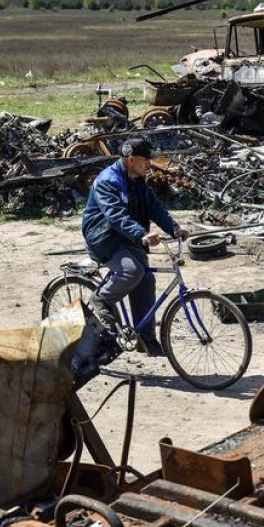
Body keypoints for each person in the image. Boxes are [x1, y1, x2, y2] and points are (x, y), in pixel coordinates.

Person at [79, 137, 189, 360]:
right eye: (146, 160)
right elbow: (116, 216)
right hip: (104, 238)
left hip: (129, 238)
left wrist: (174, 229)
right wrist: (142, 234)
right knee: (132, 271)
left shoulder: (139, 181)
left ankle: (145, 338)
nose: (150, 163)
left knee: (146, 279)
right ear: (131, 159)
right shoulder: (108, 181)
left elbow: (156, 209)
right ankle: (101, 299)